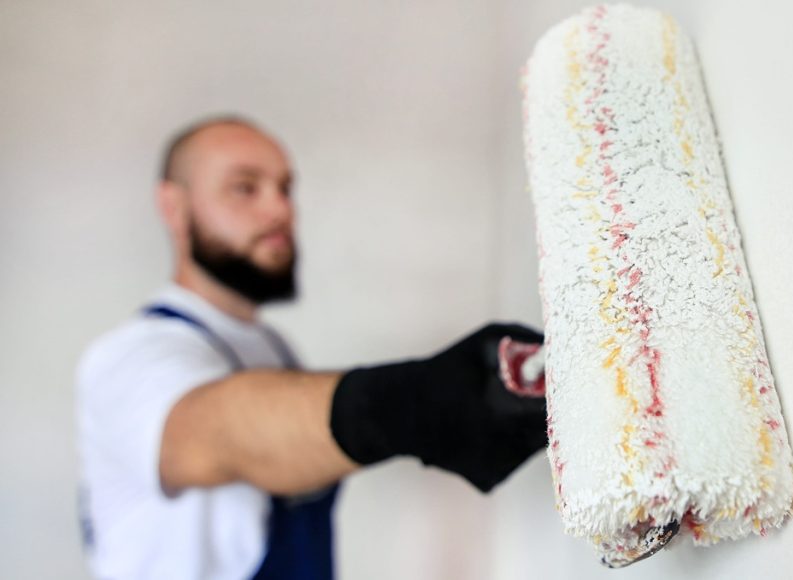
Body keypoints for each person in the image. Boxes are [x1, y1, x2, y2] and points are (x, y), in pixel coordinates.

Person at [74, 115, 547, 579]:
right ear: (173, 207)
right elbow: (223, 436)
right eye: (245, 187)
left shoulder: (271, 349)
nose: (279, 209)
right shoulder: (131, 358)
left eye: (284, 188)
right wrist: (416, 401)